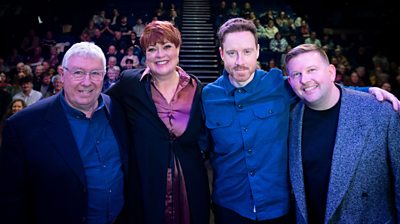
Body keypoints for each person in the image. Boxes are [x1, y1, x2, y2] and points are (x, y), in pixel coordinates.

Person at [201, 18, 400, 224]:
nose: (240, 60)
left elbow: (320, 88)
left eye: (247, 51)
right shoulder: (208, 96)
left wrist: (367, 92)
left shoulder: (278, 84)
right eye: (232, 53)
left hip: (277, 209)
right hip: (230, 207)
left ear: (258, 51)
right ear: (222, 53)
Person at [0, 42, 129, 224]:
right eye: (78, 72)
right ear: (62, 74)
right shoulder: (22, 126)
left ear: (104, 75)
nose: (87, 82)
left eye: (95, 73)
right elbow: (11, 202)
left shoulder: (116, 109)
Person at [106, 20, 210, 224]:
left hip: (192, 186)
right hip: (146, 186)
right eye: (152, 49)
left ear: (178, 48)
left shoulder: (198, 89)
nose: (160, 55)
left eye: (167, 46)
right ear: (145, 55)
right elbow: (101, 106)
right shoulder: (130, 84)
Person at [284, 44, 400, 223]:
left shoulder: (381, 112)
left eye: (312, 70)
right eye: (296, 74)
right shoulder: (289, 119)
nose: (304, 79)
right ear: (290, 81)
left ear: (331, 72)